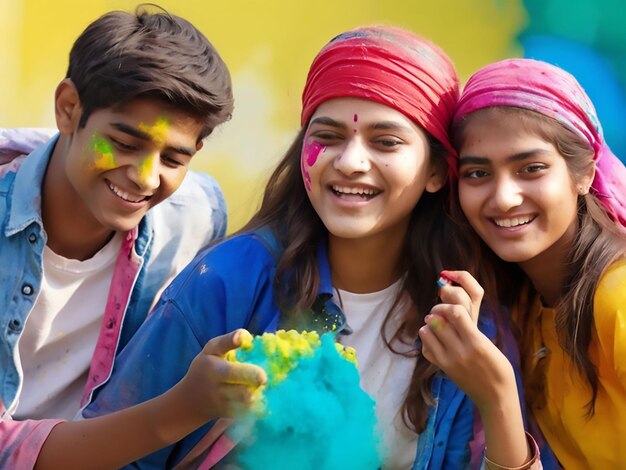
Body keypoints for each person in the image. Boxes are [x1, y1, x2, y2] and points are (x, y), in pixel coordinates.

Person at [85, 26, 540, 469]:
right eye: (327, 137)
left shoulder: (467, 323)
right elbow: (115, 452)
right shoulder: (227, 281)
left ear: (437, 172)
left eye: (386, 142)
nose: (350, 162)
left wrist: (497, 392)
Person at [0, 6, 267, 469]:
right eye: (125, 144)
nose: (145, 179)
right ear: (69, 109)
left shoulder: (196, 217)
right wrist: (179, 410)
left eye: (173, 159)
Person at [449, 58, 626, 468]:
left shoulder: (616, 298)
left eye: (531, 168)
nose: (504, 197)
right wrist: (496, 397)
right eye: (477, 173)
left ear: (584, 173)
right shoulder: (519, 309)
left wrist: (496, 393)